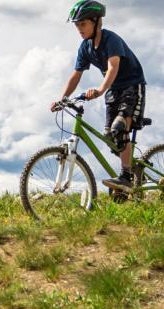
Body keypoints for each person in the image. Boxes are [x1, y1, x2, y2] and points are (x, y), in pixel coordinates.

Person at [53, 0, 147, 193]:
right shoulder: (85, 47)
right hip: (113, 90)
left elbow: (113, 67)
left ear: (96, 22)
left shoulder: (110, 40)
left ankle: (126, 177)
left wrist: (100, 89)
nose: (79, 29)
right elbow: (76, 75)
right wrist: (62, 99)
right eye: (77, 25)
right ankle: (133, 173)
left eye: (83, 24)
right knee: (110, 137)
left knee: (120, 129)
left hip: (131, 85)